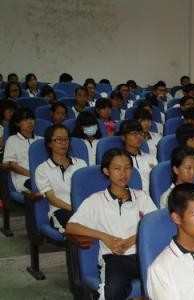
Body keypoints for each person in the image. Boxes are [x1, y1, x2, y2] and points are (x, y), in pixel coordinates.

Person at [66, 148, 156, 300]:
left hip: (143, 255)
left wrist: (133, 240)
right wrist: (105, 237)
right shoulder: (96, 200)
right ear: (107, 171)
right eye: (117, 168)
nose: (124, 173)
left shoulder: (141, 197)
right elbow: (71, 226)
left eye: (128, 168)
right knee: (113, 293)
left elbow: (154, 225)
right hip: (115, 258)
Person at [35, 125, 86, 232]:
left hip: (84, 209)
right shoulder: (42, 169)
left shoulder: (81, 164)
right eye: (58, 139)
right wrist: (74, 209)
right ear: (49, 143)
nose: (63, 143)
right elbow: (52, 199)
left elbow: (87, 191)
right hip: (61, 211)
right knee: (80, 229)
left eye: (66, 139)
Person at [3, 108, 41, 193]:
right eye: (25, 119)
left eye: (31, 119)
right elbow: (11, 164)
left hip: (45, 177)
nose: (30, 122)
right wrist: (33, 176)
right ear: (17, 123)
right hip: (25, 179)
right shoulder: (12, 140)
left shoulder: (41, 140)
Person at [120, 120, 157, 196]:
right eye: (134, 134)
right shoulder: (119, 161)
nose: (139, 137)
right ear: (123, 137)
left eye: (141, 133)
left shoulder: (151, 158)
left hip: (152, 200)